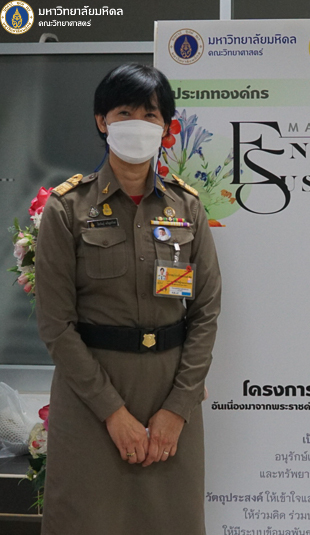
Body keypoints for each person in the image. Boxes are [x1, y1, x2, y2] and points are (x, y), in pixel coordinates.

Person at [36, 64, 222, 535]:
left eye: (150, 114)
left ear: (166, 127)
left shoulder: (187, 207)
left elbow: (205, 312)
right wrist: (113, 414)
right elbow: (56, 325)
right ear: (102, 120)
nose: (137, 124)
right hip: (91, 397)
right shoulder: (68, 208)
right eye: (124, 113)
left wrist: (177, 408)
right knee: (86, 521)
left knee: (172, 522)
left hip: (169, 391)